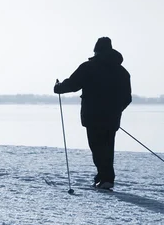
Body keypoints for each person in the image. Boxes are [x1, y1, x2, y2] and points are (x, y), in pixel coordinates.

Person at [54, 37, 131, 189]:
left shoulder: (89, 67)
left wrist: (58, 87)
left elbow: (72, 84)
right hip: (111, 118)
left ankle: (104, 178)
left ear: (96, 50)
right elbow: (127, 98)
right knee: (108, 148)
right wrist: (115, 111)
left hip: (93, 116)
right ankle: (105, 177)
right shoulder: (122, 72)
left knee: (97, 147)